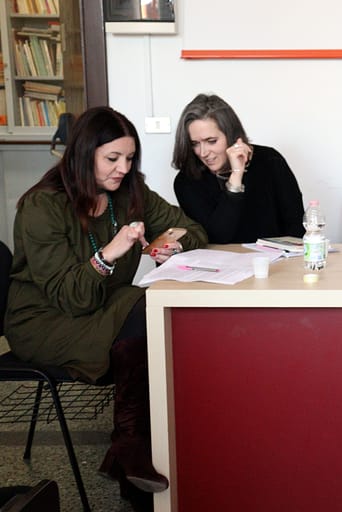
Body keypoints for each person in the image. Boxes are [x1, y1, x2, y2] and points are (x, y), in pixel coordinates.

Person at [5, 106, 207, 510]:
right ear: (84, 154)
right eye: (112, 158)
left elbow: (193, 229)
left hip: (105, 309)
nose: (123, 169)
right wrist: (110, 253)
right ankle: (132, 447)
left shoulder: (129, 193)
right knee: (146, 316)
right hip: (46, 320)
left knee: (153, 312)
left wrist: (173, 244)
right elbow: (69, 296)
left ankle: (131, 449)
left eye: (129, 158)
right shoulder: (42, 206)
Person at [172, 94, 305, 243]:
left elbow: (297, 226)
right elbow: (217, 237)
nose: (203, 153)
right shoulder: (186, 180)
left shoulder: (270, 160)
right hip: (220, 257)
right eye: (195, 144)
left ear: (231, 135)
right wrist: (236, 178)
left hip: (276, 256)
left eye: (211, 141)